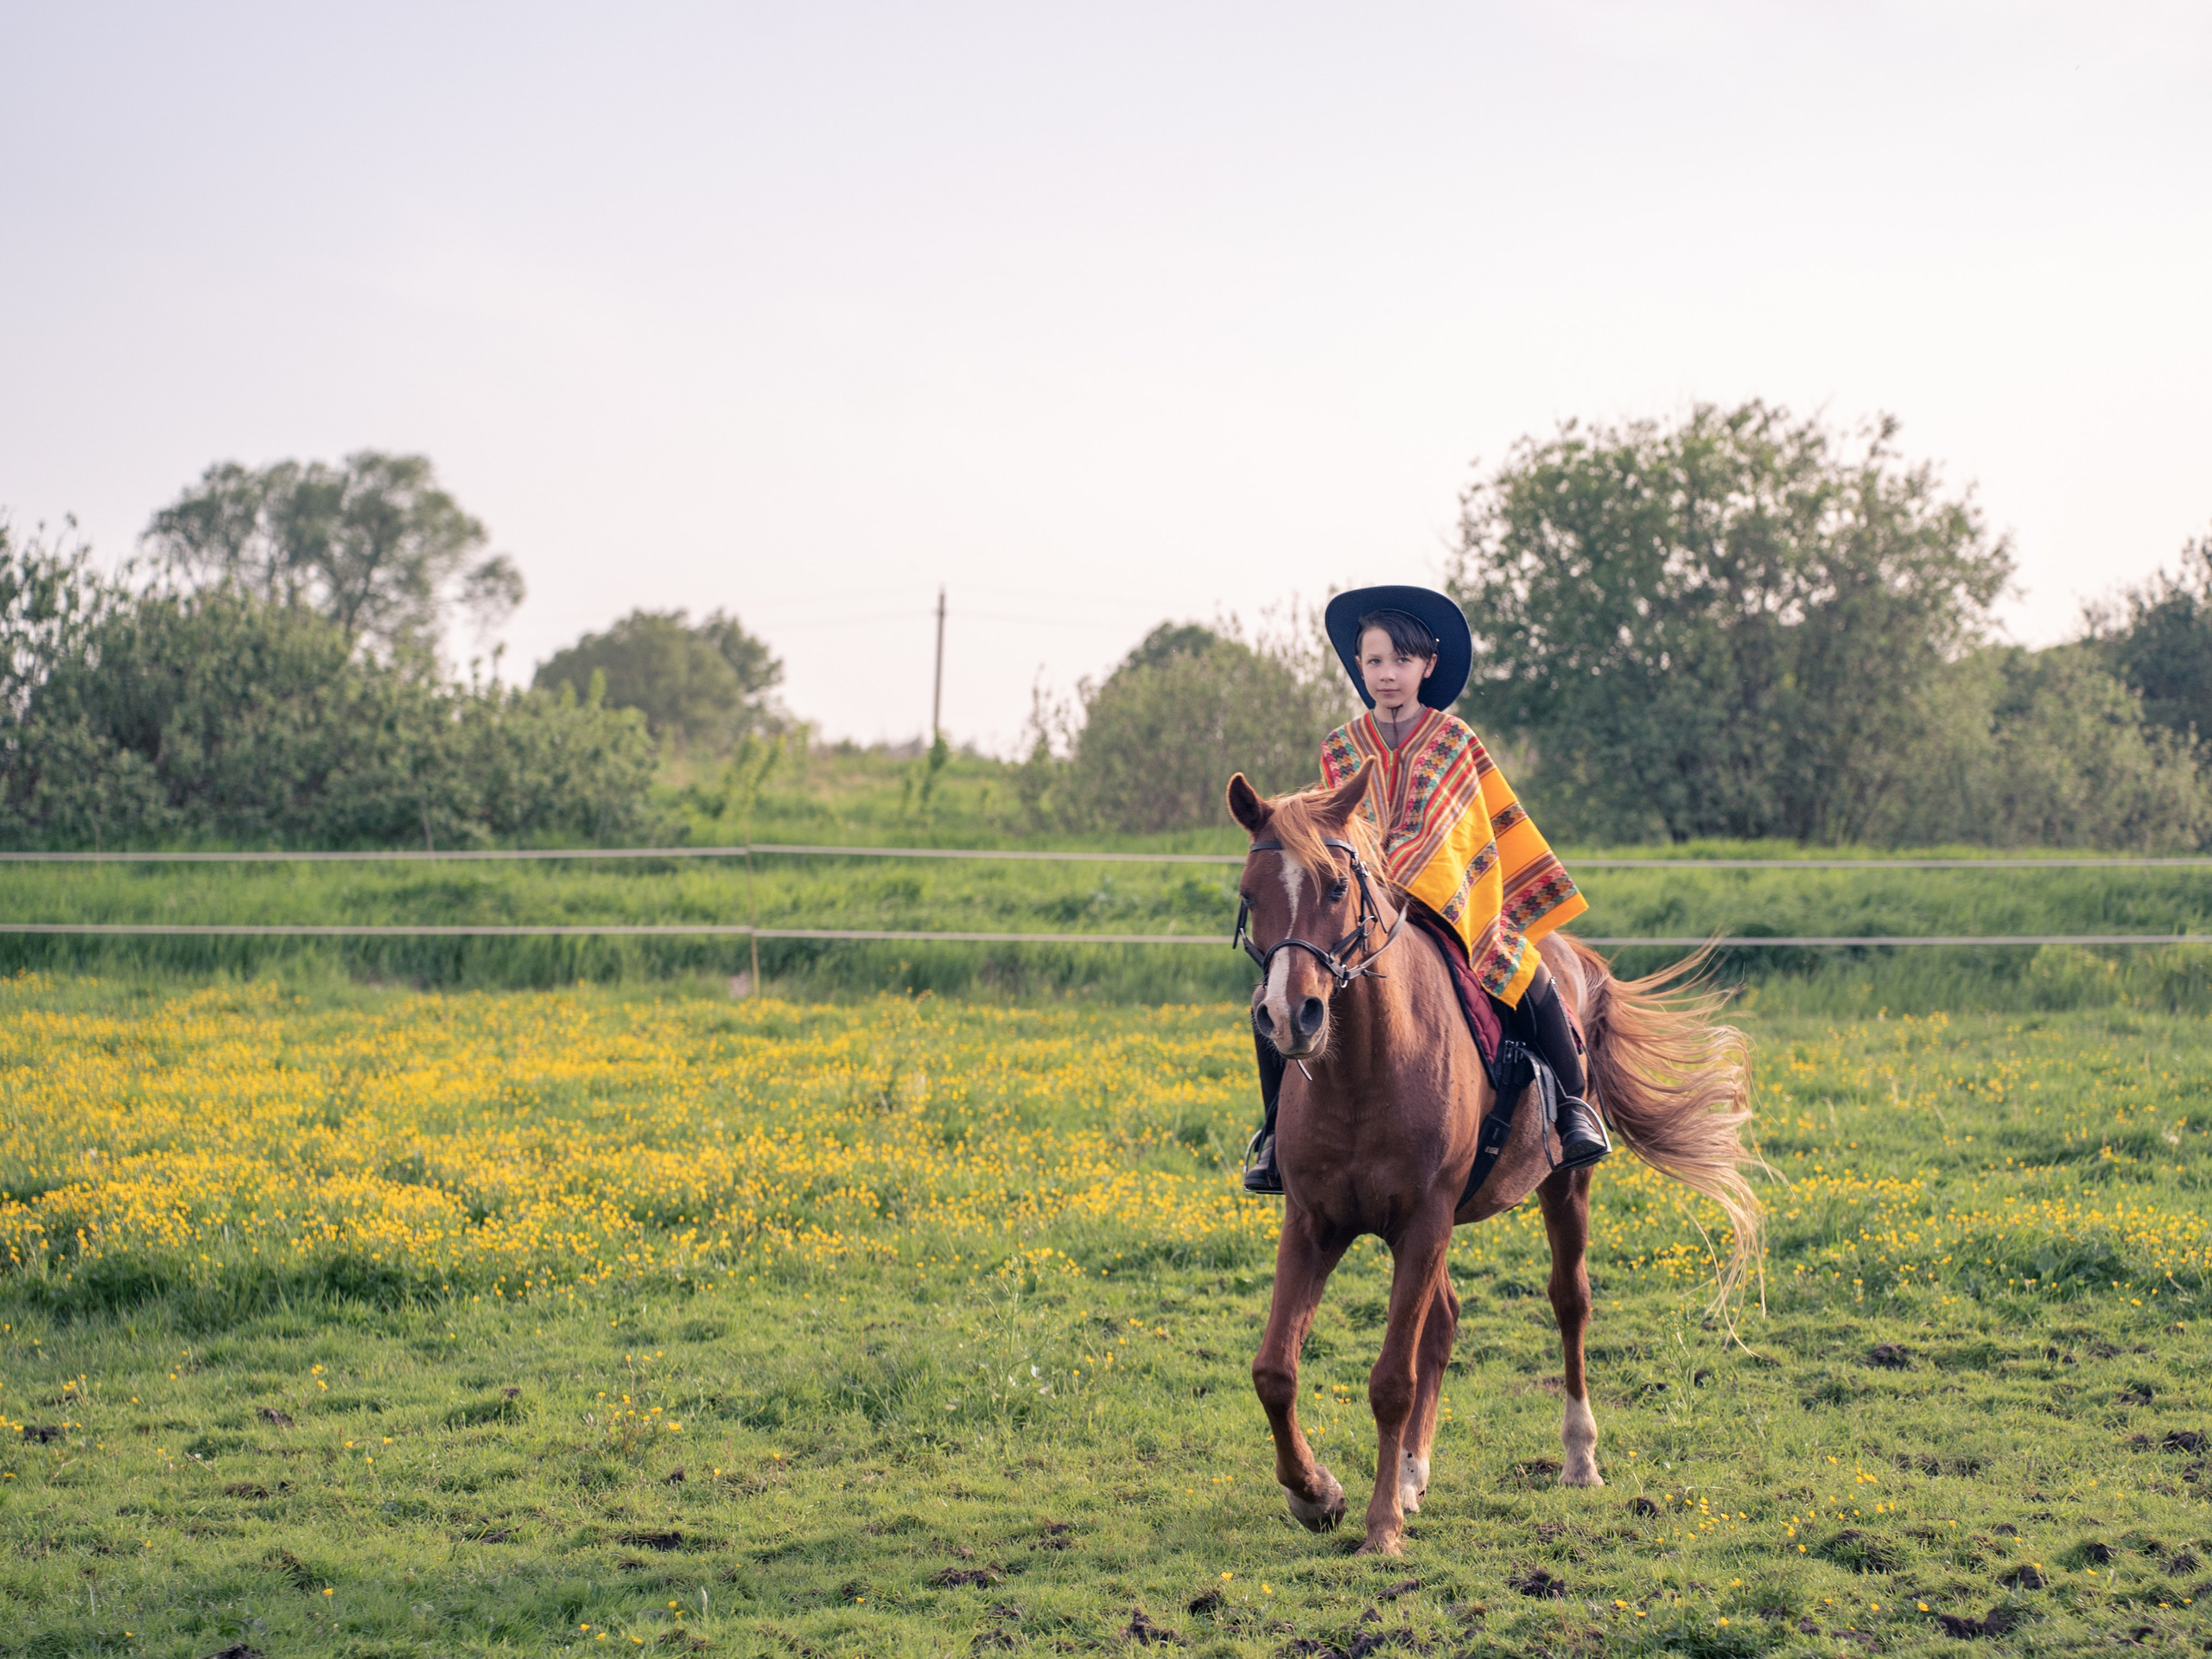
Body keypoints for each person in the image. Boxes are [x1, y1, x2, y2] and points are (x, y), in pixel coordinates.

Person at [1242, 584, 1611, 1195]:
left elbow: (1460, 832)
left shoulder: (1455, 741)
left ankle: (1573, 1111)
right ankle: (1277, 1135)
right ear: (1359, 667)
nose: (1388, 675)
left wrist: (1405, 874)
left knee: (1531, 977)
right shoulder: (1339, 748)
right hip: (1359, 916)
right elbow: (1326, 838)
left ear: (1427, 667)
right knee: (1271, 994)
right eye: (1375, 661)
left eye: (1401, 662)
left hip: (1450, 908)